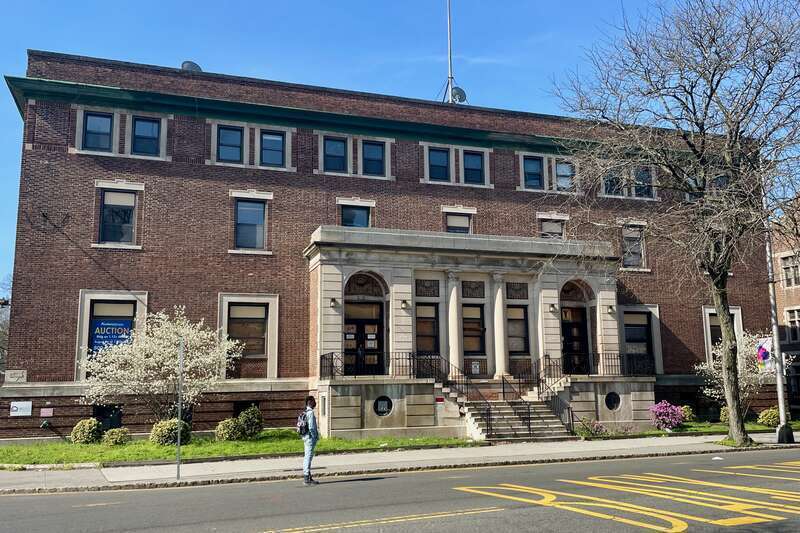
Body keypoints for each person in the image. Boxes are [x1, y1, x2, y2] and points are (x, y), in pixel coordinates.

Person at [302, 395, 320, 486]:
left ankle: (308, 476)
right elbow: (312, 427)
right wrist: (315, 437)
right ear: (310, 402)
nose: (315, 403)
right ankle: (306, 478)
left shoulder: (305, 412)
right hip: (310, 438)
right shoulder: (310, 413)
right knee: (308, 457)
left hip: (305, 437)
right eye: (313, 401)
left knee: (307, 456)